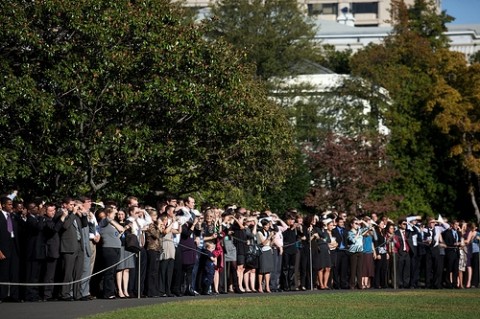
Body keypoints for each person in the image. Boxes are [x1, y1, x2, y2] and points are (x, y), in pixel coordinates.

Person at [57, 197, 87, 301]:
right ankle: (65, 294)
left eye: (74, 205)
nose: (73, 206)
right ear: (64, 205)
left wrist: (83, 214)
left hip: (79, 245)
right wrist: (73, 213)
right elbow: (64, 226)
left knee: (78, 272)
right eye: (71, 204)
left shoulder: (75, 216)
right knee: (68, 272)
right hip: (68, 247)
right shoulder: (61, 214)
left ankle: (77, 294)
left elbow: (84, 225)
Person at [98, 207, 124, 299]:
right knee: (109, 271)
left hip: (116, 247)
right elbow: (108, 219)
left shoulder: (112, 223)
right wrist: (113, 221)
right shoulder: (104, 221)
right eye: (114, 213)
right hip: (109, 248)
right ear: (109, 213)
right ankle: (107, 292)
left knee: (113, 271)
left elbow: (121, 230)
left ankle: (111, 291)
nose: (115, 215)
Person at [0, 196, 21, 302]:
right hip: (3, 248)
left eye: (12, 204)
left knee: (14, 272)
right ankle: (2, 296)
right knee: (3, 273)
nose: (11, 206)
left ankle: (14, 296)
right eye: (9, 204)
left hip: (14, 246)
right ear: (3, 205)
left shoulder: (13, 216)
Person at [115, 209, 134, 298]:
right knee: (120, 269)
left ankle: (126, 290)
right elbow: (116, 236)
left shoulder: (128, 223)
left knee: (126, 269)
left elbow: (133, 233)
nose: (120, 216)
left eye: (122, 214)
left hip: (127, 247)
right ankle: (120, 290)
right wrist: (124, 228)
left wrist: (131, 227)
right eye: (119, 214)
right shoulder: (115, 223)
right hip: (119, 246)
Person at [257, 218, 275, 293]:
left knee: (268, 270)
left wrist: (272, 239)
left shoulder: (268, 232)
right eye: (266, 225)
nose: (268, 227)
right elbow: (263, 243)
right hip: (262, 252)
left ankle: (267, 286)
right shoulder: (259, 232)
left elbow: (269, 244)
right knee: (262, 270)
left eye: (268, 225)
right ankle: (260, 286)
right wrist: (269, 237)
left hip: (268, 251)